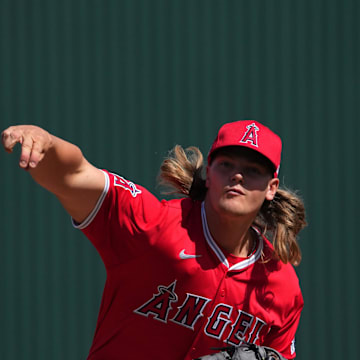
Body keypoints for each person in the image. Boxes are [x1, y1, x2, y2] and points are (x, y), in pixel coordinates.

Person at [1, 120, 306, 360]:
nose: (237, 176)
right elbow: (76, 175)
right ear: (209, 174)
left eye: (253, 170)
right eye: (227, 164)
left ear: (271, 187)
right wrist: (48, 145)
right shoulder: (153, 225)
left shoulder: (281, 286)